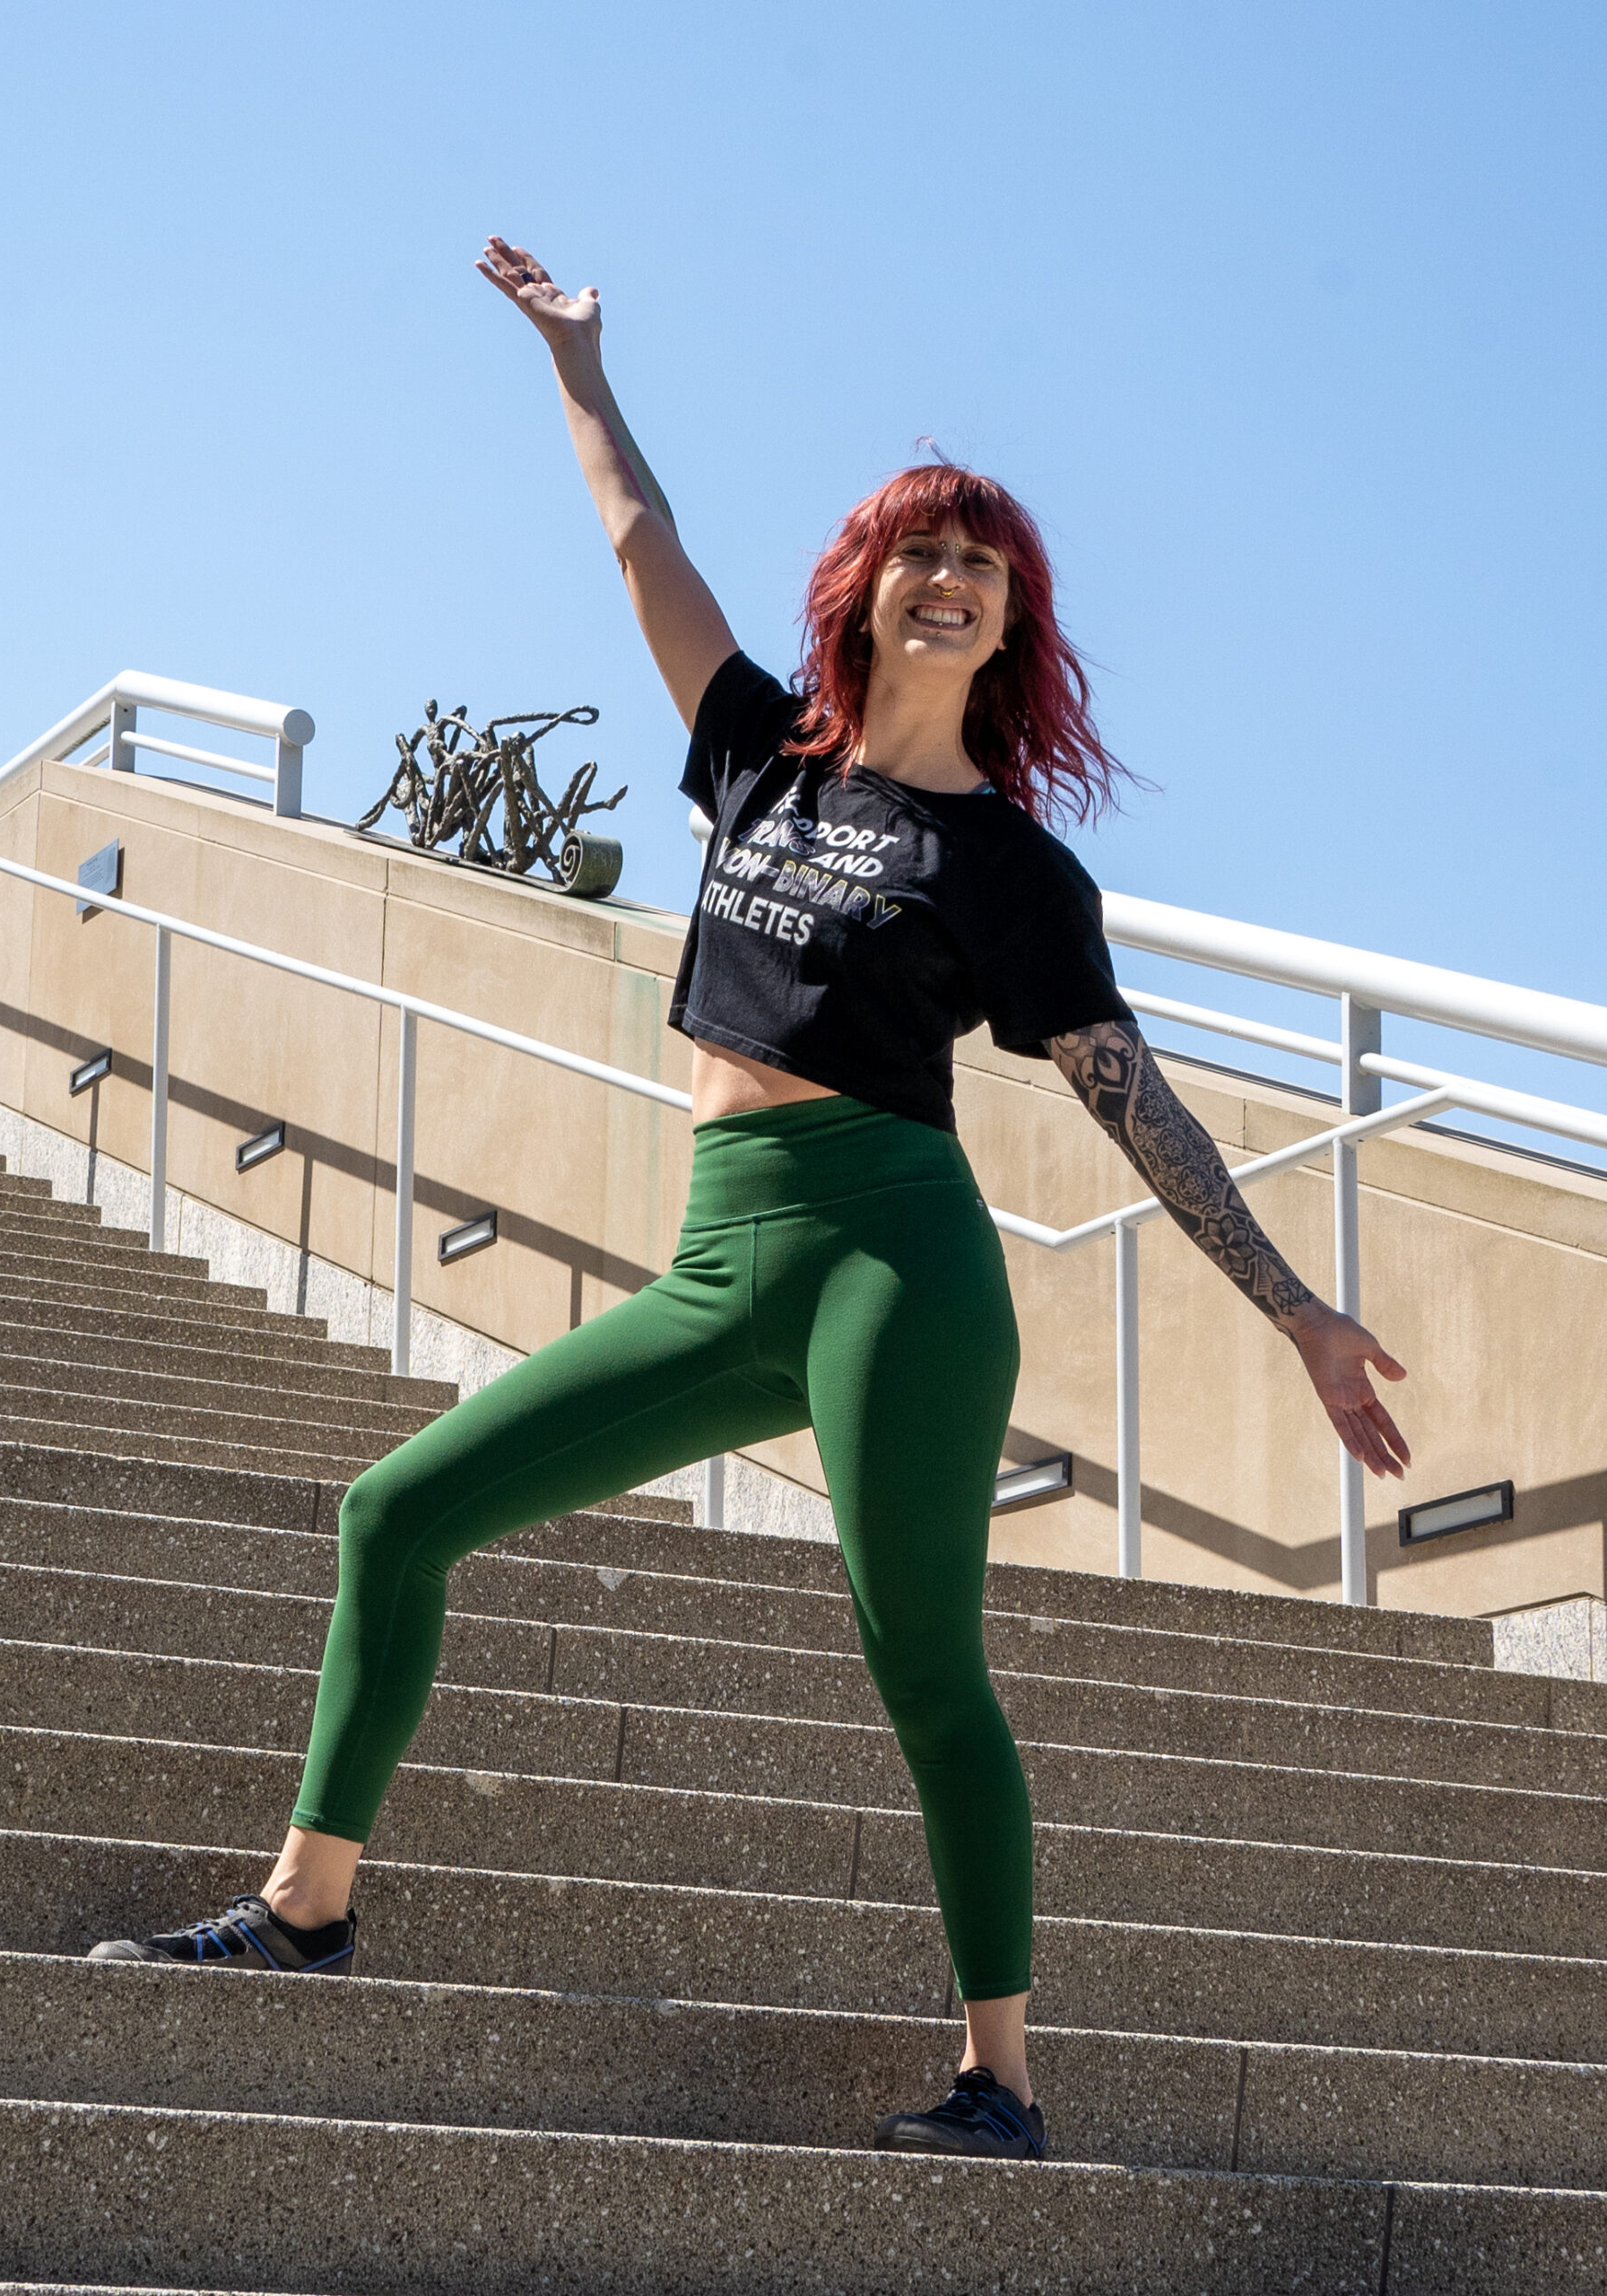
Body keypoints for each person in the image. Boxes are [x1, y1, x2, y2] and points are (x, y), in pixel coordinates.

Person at [90, 238, 1412, 2163]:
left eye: (988, 564)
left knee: (920, 1656)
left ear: (1008, 622)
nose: (950, 577)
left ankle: (1001, 2077)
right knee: (399, 1507)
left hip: (898, 1254)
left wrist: (1292, 1301)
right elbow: (638, 538)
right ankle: (306, 1905)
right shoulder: (756, 759)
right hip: (724, 1253)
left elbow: (1132, 1104)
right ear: (864, 589)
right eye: (921, 550)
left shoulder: (1011, 871)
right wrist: (579, 365)